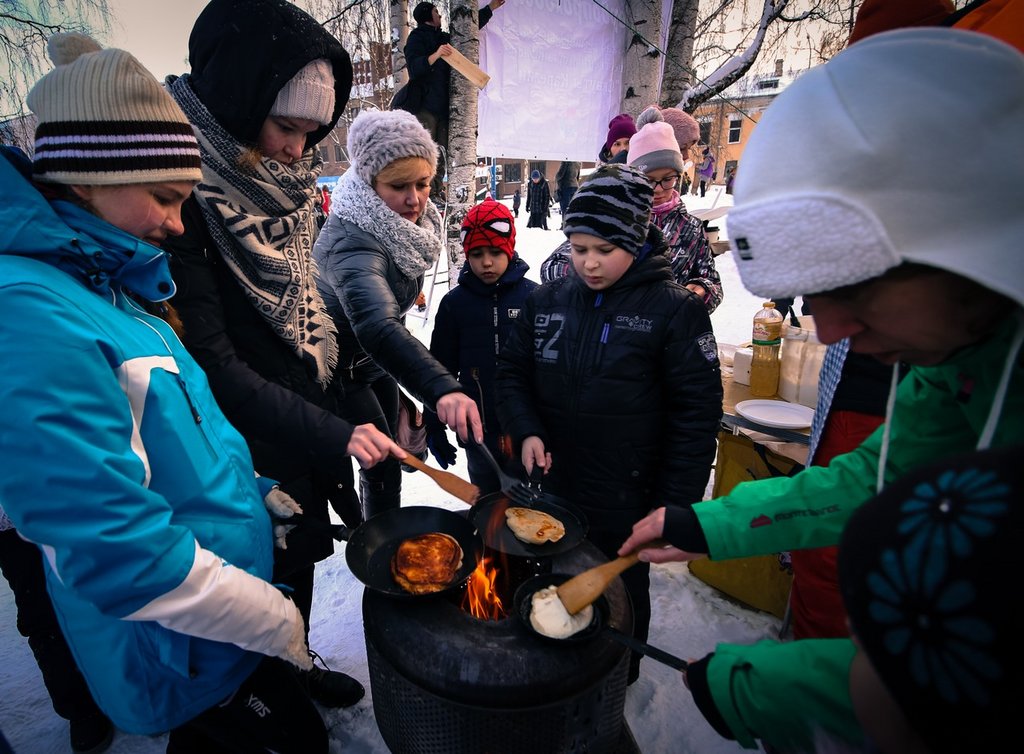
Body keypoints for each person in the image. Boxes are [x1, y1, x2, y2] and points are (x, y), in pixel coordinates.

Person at [619, 28, 1023, 751]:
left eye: (852, 287)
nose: (831, 331)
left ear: (973, 243)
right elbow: (878, 481)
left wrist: (770, 688)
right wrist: (713, 525)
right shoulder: (961, 350)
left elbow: (976, 677)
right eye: (811, 297)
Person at [0, 34, 339, 753]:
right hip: (178, 644)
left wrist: (253, 487)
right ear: (89, 176)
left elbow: (175, 434)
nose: (178, 223)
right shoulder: (29, 313)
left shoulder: (108, 290)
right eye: (165, 197)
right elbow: (114, 549)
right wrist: (270, 616)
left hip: (214, 626)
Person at [163, 0, 397, 709]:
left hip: (297, 424)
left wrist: (371, 392)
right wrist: (338, 430)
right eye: (287, 127)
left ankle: (292, 661)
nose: (300, 152)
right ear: (237, 100)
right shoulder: (183, 203)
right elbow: (212, 361)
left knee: (294, 572)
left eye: (312, 132)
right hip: (242, 447)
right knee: (250, 582)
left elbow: (315, 311)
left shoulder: (283, 191)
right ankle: (263, 692)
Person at [496, 164, 723, 683]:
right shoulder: (546, 301)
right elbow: (512, 371)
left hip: (629, 490)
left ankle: (623, 668)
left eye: (604, 250)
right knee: (552, 575)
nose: (589, 264)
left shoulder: (673, 312)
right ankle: (559, 663)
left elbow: (696, 415)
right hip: (554, 483)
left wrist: (673, 504)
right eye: (578, 249)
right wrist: (526, 428)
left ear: (636, 239)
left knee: (622, 587)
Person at [314, 109, 484, 520]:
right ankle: (377, 544)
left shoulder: (404, 227)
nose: (415, 199)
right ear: (369, 184)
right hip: (338, 374)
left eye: (423, 184)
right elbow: (376, 324)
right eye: (398, 186)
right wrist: (442, 389)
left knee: (396, 452)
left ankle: (378, 529)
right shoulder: (351, 240)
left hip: (370, 365)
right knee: (383, 460)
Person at [425, 199, 538, 493]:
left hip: (527, 429)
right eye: (476, 254)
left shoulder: (535, 298)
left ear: (509, 248)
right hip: (478, 432)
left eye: (495, 252)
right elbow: (439, 368)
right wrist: (433, 425)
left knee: (532, 507)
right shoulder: (455, 305)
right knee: (488, 502)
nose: (486, 262)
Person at [0, 507, 113, 753]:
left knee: (102, 588)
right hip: (11, 526)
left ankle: (129, 686)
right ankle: (79, 708)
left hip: (66, 496)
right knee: (41, 612)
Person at [400, 1, 505, 197]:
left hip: (444, 108)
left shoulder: (441, 37)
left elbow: (465, 34)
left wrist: (490, 8)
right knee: (426, 154)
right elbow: (415, 69)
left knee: (442, 155)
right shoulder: (417, 37)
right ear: (427, 16)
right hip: (425, 107)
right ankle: (423, 194)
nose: (439, 16)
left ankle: (435, 193)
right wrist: (437, 54)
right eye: (436, 12)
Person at [628, 106, 724, 313]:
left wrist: (701, 291)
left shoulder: (691, 227)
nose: (659, 189)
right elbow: (556, 264)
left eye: (668, 179)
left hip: (671, 332)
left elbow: (713, 283)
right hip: (622, 333)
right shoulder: (618, 219)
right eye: (648, 181)